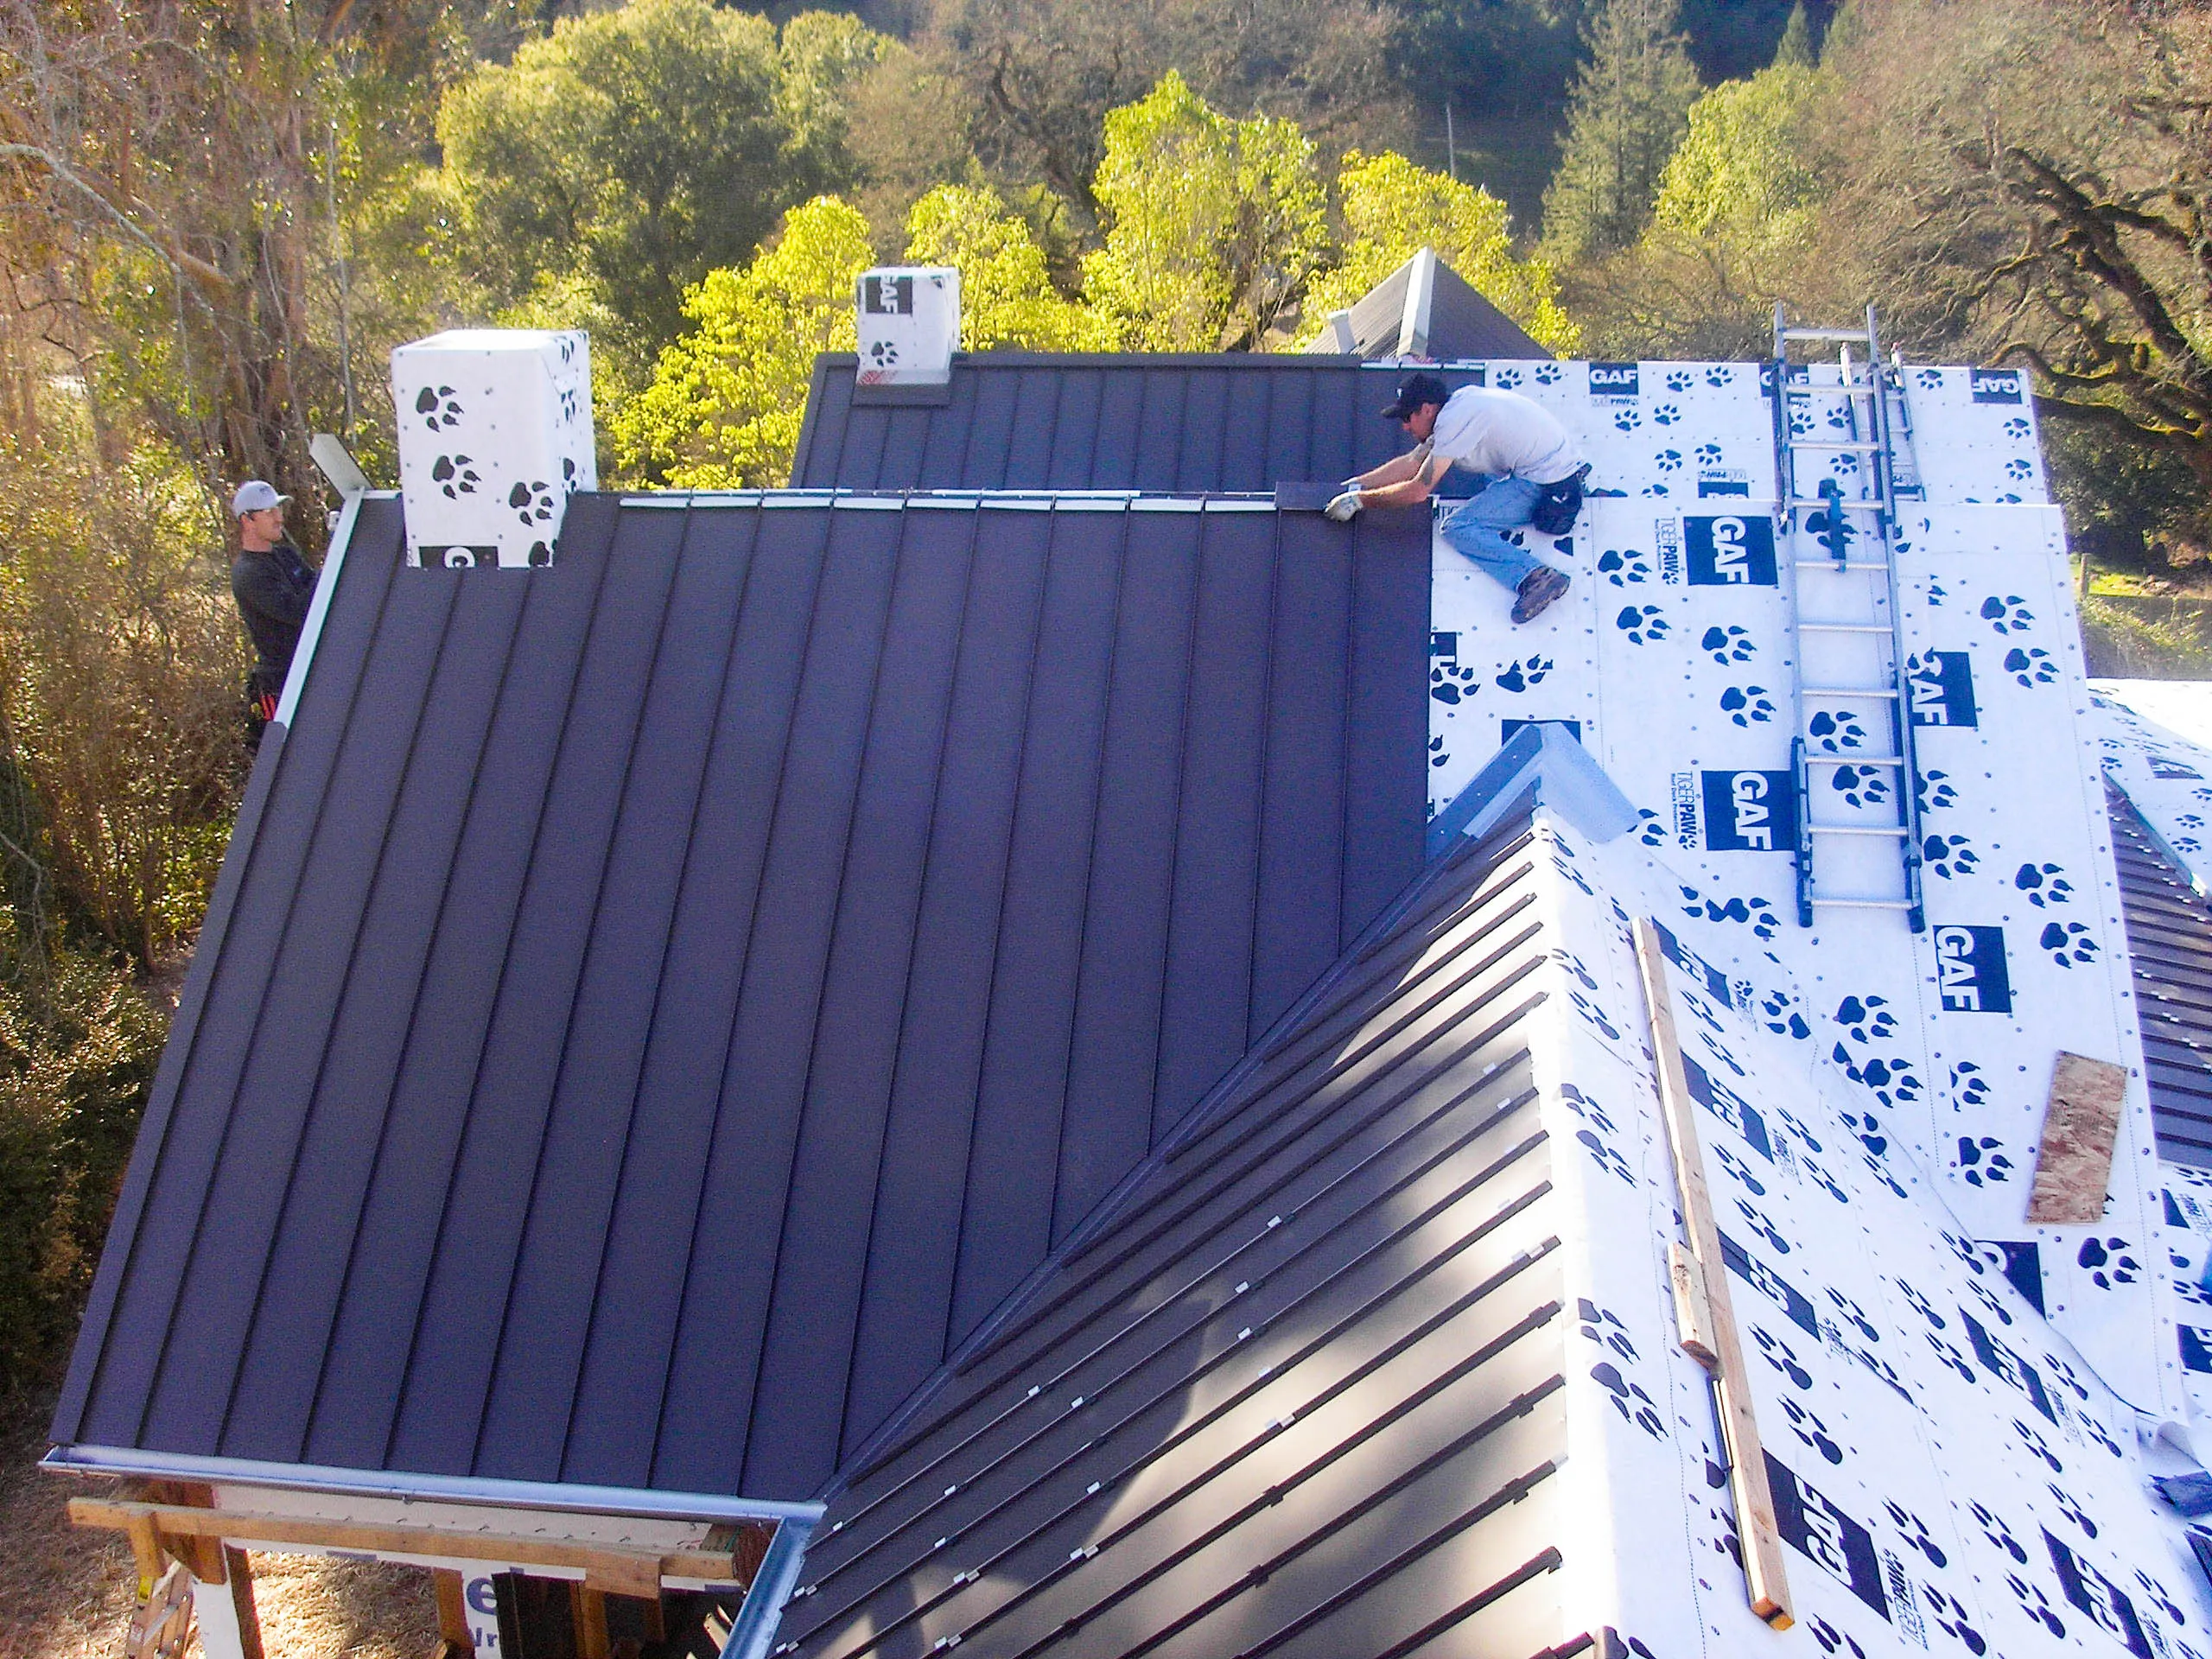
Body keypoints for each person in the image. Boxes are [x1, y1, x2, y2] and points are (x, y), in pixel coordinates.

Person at [1326, 372, 1589, 626]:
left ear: (1427, 409)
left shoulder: (1453, 422)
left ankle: (1537, 577)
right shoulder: (1461, 405)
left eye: (1408, 417)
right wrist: (1352, 487)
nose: (1405, 426)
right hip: (1553, 462)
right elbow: (1411, 463)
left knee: (1457, 527)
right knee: (1488, 477)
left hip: (1548, 482)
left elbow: (1418, 490)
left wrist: (1359, 501)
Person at [229, 480, 317, 748]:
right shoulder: (249, 574)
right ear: (248, 521)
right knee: (280, 755)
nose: (279, 518)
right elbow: (300, 612)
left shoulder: (286, 556)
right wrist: (320, 583)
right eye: (269, 512)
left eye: (277, 509)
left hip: (312, 672)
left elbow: (323, 593)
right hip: (280, 683)